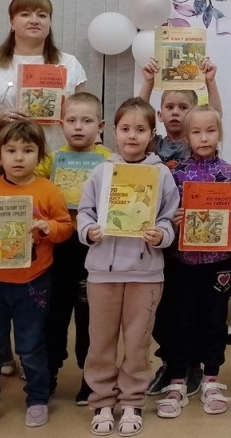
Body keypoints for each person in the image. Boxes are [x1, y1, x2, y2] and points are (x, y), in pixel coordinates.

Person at [0, 121, 73, 432]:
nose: (19, 157)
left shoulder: (48, 190)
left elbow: (65, 227)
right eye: (11, 151)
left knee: (31, 346)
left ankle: (37, 399)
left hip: (33, 283)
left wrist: (49, 228)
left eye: (28, 150)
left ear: (40, 155)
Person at [76, 98, 178, 437]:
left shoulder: (161, 174)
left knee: (137, 343)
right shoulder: (101, 171)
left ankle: (133, 401)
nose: (132, 136)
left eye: (140, 129)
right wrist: (88, 231)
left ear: (152, 134)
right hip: (102, 274)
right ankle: (102, 401)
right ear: (114, 132)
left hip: (145, 275)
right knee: (101, 342)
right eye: (125, 129)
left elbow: (168, 218)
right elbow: (85, 212)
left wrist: (161, 234)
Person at [140, 56, 222, 399]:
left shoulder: (195, 143)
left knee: (194, 311)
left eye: (183, 107)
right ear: (159, 115)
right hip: (159, 240)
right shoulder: (153, 144)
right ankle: (171, 362)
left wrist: (210, 82)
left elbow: (215, 117)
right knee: (164, 310)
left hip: (194, 243)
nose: (175, 113)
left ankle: (193, 366)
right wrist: (147, 82)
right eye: (169, 107)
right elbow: (135, 116)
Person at [154, 105, 231, 419]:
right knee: (181, 320)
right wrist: (174, 220)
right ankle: (178, 380)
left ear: (219, 133)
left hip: (219, 262)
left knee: (215, 321)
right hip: (182, 262)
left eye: (210, 131)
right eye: (196, 132)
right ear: (187, 136)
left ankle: (212, 379)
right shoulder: (174, 173)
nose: (204, 138)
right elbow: (162, 217)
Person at [35, 92, 112, 405]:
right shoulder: (51, 160)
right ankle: (49, 371)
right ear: (61, 123)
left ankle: (90, 377)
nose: (78, 127)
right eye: (71, 120)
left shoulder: (110, 160)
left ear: (101, 126)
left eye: (87, 121)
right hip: (57, 247)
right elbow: (28, 184)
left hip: (93, 248)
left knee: (90, 316)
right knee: (54, 314)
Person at [0, 0, 87, 157]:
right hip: (1, 157)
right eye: (25, 14)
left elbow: (85, 114)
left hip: (55, 156)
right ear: (12, 23)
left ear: (49, 23)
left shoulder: (70, 63)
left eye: (42, 15)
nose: (34, 20)